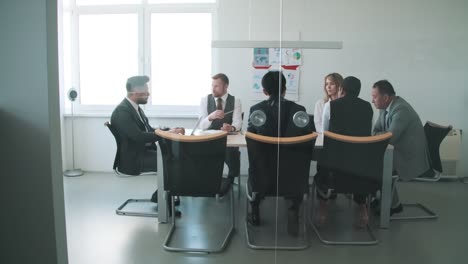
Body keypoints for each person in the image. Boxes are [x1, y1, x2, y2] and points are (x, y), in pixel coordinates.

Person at [247, 71, 313, 235]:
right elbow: (307, 138)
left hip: (263, 176)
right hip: (293, 177)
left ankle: (255, 208)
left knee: (255, 170)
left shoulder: (256, 110)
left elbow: (251, 139)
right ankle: (293, 207)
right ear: (285, 89)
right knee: (291, 167)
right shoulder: (299, 110)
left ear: (264, 91)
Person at [110, 75, 184, 206]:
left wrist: (168, 130)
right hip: (133, 159)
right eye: (145, 91)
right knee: (168, 161)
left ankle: (165, 194)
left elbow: (149, 129)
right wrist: (164, 134)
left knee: (171, 157)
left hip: (142, 153)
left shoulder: (135, 108)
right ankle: (162, 197)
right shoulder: (122, 112)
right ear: (134, 92)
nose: (148, 93)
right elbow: (139, 136)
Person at [316, 76, 374, 227]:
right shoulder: (368, 107)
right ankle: (362, 208)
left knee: (321, 166)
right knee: (359, 173)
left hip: (334, 165)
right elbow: (369, 134)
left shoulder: (331, 105)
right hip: (359, 167)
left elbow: (325, 133)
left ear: (341, 89)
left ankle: (323, 209)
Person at [371, 80, 434, 215]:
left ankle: (392, 205)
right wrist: (383, 134)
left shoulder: (401, 109)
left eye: (375, 97)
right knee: (375, 161)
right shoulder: (385, 108)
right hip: (397, 150)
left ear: (386, 97)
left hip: (409, 157)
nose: (372, 100)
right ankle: (385, 200)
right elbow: (375, 131)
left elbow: (390, 138)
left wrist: (383, 134)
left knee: (378, 164)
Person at [199, 73, 242, 194]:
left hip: (227, 140)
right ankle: (209, 180)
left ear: (226, 86)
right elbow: (201, 126)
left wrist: (231, 128)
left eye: (216, 86)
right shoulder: (205, 100)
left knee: (231, 152)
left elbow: (238, 124)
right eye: (212, 85)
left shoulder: (236, 101)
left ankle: (229, 179)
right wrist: (210, 117)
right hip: (209, 140)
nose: (213, 89)